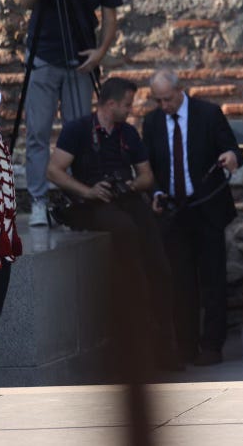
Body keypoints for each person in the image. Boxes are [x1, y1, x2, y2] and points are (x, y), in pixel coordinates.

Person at [46, 77, 174, 373]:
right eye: (127, 104)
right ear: (111, 103)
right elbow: (54, 171)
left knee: (159, 262)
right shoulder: (78, 130)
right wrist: (87, 191)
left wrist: (127, 185)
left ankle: (165, 347)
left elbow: (146, 176)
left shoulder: (127, 133)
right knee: (125, 235)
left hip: (125, 199)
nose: (131, 110)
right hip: (91, 203)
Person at [16, 0, 123, 226]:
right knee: (38, 132)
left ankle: (78, 197)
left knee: (77, 133)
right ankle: (38, 200)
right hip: (44, 57)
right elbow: (25, 1)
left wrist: (100, 52)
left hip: (80, 60)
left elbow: (110, 16)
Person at [142, 69, 242, 367]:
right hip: (173, 212)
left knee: (213, 278)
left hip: (207, 208)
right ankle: (184, 346)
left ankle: (212, 345)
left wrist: (231, 158)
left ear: (180, 90)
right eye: (158, 101)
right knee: (180, 282)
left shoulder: (208, 114)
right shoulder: (152, 122)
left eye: (168, 99)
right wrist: (157, 194)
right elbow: (148, 166)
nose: (164, 106)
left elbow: (233, 150)